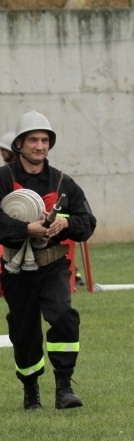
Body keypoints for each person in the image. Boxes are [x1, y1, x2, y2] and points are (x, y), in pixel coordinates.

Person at [0, 110, 96, 410]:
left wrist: (65, 224)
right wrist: (24, 228)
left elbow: (88, 222)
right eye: (33, 140)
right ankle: (31, 391)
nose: (39, 146)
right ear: (19, 144)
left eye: (44, 140)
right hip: (16, 268)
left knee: (63, 315)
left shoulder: (64, 182)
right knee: (23, 330)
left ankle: (64, 386)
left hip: (53, 264)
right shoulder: (3, 179)